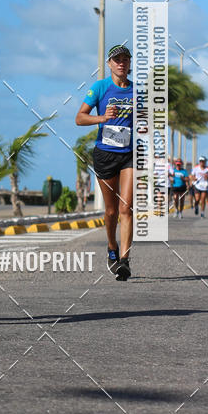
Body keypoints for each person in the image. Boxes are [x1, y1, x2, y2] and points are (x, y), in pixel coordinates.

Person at [75, 45, 133, 281]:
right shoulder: (100, 87)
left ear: (129, 64)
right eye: (116, 59)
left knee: (125, 209)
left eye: (125, 59)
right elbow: (79, 118)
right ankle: (112, 246)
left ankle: (125, 261)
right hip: (105, 154)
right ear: (109, 64)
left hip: (129, 154)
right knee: (111, 211)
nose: (121, 63)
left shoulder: (137, 91)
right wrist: (102, 118)